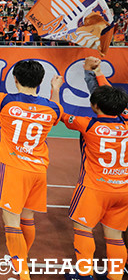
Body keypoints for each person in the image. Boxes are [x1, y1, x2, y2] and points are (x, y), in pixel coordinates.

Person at [0, 60, 63, 280]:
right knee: (27, 218)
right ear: (40, 81)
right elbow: (57, 112)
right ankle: (21, 259)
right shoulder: (52, 108)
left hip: (13, 168)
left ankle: (23, 273)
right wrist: (55, 89)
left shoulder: (6, 101)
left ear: (15, 80)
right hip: (38, 170)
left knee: (11, 221)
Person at [51, 58, 128, 280]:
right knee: (115, 237)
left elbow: (57, 113)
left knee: (83, 230)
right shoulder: (126, 123)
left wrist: (55, 89)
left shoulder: (87, 124)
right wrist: (99, 73)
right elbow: (112, 99)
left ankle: (84, 275)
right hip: (122, 190)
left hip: (93, 189)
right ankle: (115, 277)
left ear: (94, 106)